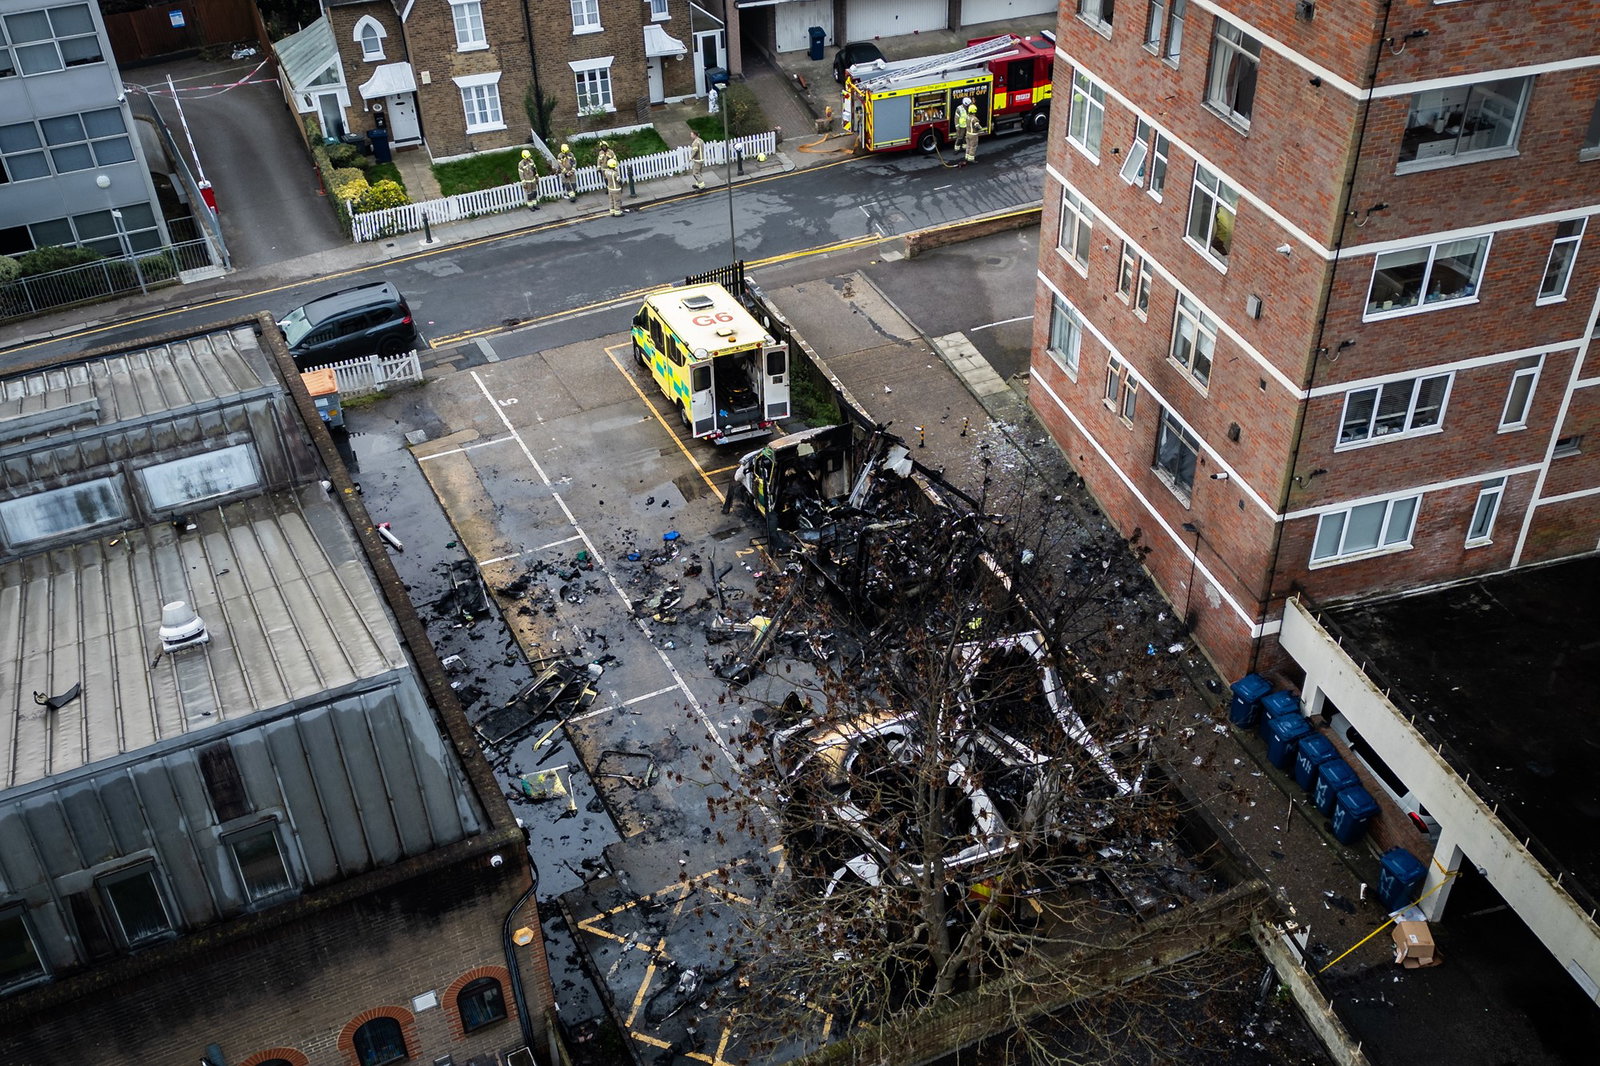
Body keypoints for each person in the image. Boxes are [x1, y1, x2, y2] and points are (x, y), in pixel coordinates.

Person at [962, 96, 980, 165]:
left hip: (968, 134)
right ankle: (971, 159)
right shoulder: (974, 119)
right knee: (973, 147)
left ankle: (966, 157)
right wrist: (980, 128)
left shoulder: (967, 117)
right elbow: (977, 126)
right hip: (973, 135)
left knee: (968, 146)